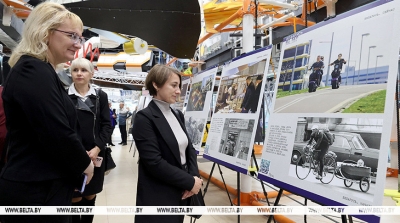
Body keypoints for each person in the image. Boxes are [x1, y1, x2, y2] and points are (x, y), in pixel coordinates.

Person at [0, 2, 94, 223]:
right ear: (45, 32)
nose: (77, 44)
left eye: (80, 38)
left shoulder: (42, 71)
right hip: (35, 191)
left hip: (43, 186)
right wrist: (84, 163)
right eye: (72, 35)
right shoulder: (33, 70)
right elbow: (55, 130)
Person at [132, 64, 202, 223]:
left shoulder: (177, 114)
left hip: (181, 187)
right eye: (174, 85)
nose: (178, 91)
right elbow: (153, 162)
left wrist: (194, 177)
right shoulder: (144, 118)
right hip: (159, 191)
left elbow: (189, 149)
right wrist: (190, 181)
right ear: (156, 84)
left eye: (179, 86)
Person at [68, 58, 112, 223]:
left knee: (90, 194)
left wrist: (97, 148)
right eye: (75, 70)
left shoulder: (100, 96)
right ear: (71, 73)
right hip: (73, 154)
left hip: (96, 154)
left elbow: (107, 126)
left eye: (84, 70)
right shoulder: (64, 96)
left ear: (92, 73)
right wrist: (77, 152)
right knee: (75, 196)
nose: (79, 73)